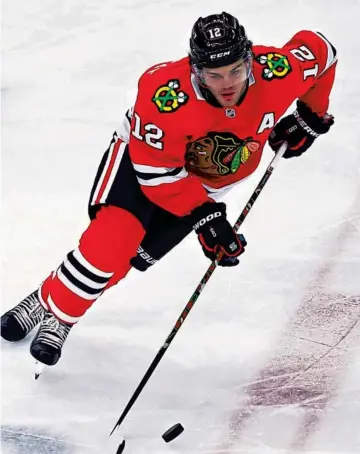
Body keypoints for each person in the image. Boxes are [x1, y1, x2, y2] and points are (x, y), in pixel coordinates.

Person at [1, 12, 337, 366]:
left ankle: (45, 298)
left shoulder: (277, 71)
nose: (227, 84)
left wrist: (311, 116)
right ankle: (62, 318)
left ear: (249, 60)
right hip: (143, 164)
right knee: (112, 243)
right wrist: (205, 216)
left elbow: (322, 51)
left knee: (131, 258)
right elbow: (155, 173)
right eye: (214, 75)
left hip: (205, 184)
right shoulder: (165, 95)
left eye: (236, 71)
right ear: (196, 71)